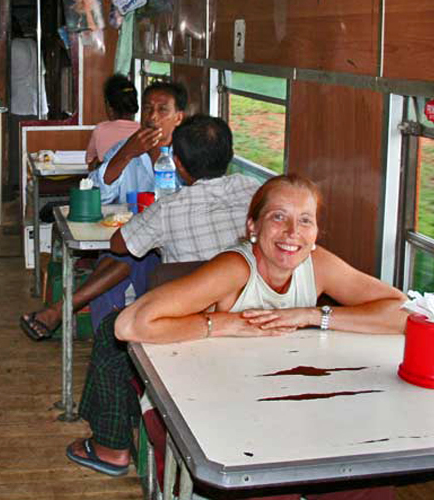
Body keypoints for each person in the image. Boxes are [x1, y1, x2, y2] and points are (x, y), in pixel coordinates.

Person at [67, 174, 407, 484]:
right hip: (213, 399)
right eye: (278, 217)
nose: (292, 232)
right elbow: (128, 325)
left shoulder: (318, 266)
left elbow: (403, 313)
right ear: (253, 227)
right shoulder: (234, 269)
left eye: (305, 221)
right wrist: (222, 323)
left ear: (316, 234)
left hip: (276, 393)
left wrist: (313, 315)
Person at [20, 82, 187, 340]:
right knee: (125, 256)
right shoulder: (125, 148)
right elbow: (97, 193)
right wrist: (127, 154)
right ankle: (97, 340)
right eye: (148, 109)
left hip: (173, 249)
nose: (153, 117)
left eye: (162, 110)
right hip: (129, 243)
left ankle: (62, 309)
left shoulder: (187, 154)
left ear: (179, 117)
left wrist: (151, 157)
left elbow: (186, 199)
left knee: (124, 258)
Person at [7, 21, 48, 198]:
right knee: (36, 147)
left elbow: (5, 74)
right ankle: (35, 183)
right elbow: (43, 71)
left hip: (20, 105)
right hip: (39, 104)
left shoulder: (12, 47)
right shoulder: (33, 44)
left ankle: (18, 185)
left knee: (18, 148)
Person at [85, 74, 140, 171]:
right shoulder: (144, 131)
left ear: (109, 107)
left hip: (108, 183)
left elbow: (90, 163)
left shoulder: (100, 130)